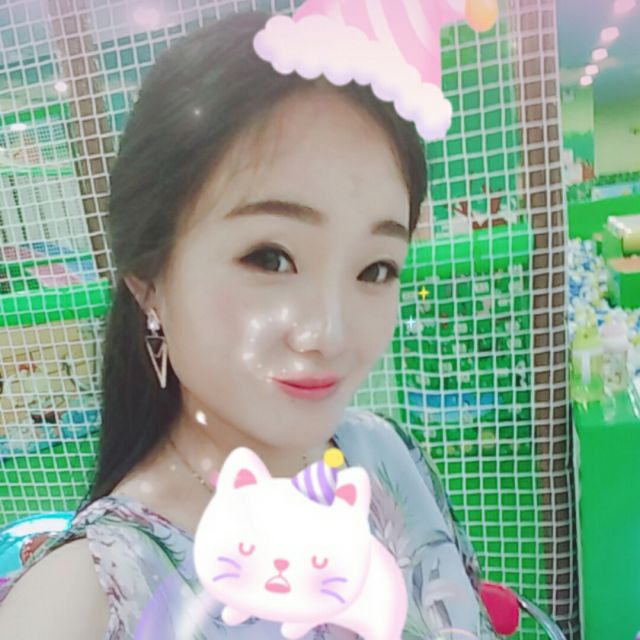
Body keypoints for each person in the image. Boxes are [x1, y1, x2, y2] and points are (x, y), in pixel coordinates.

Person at [0, 10, 498, 640]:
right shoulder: (83, 599)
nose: (329, 334)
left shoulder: (386, 455)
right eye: (270, 258)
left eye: (376, 268)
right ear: (148, 280)